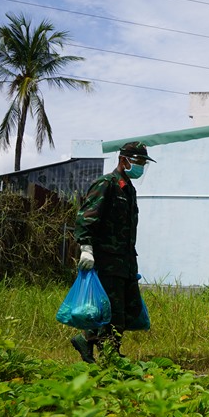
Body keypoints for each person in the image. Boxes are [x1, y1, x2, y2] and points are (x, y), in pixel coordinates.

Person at [70, 141, 155, 363]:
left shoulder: (129, 190)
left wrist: (131, 266)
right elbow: (87, 216)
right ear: (123, 160)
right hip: (106, 261)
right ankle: (111, 357)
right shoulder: (106, 184)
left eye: (143, 163)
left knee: (127, 310)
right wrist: (86, 248)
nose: (140, 167)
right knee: (113, 313)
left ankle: (86, 340)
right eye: (137, 162)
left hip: (124, 262)